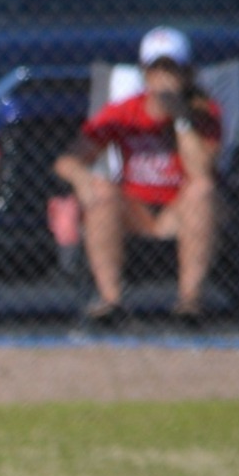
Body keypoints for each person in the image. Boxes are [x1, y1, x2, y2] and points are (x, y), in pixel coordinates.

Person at [53, 26, 222, 329]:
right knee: (101, 191)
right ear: (144, 73)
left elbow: (201, 171)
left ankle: (189, 300)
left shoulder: (203, 113)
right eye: (155, 69)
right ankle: (111, 300)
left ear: (186, 74)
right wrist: (82, 179)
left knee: (201, 190)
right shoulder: (124, 112)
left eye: (171, 69)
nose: (163, 78)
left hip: (179, 209)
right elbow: (67, 161)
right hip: (136, 209)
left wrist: (181, 119)